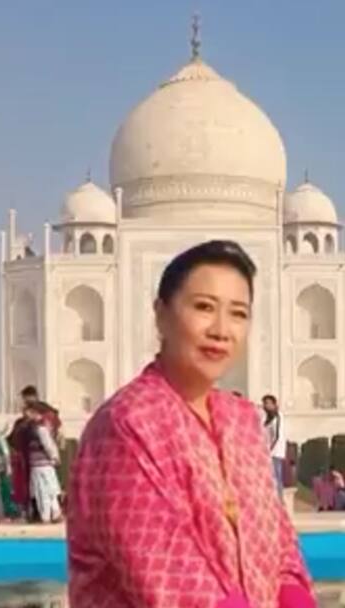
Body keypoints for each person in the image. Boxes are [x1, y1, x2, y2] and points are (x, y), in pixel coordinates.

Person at [67, 240, 314, 607]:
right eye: (203, 307)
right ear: (161, 315)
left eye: (238, 313)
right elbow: (170, 577)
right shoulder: (127, 424)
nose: (221, 330)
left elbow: (279, 545)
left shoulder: (241, 421)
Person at [26, 403, 62, 523]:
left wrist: (54, 457)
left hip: (42, 464)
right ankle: (54, 513)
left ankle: (47, 515)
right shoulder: (39, 427)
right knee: (49, 490)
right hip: (42, 464)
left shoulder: (40, 428)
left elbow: (48, 445)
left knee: (43, 491)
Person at [261, 395, 287, 496]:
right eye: (265, 403)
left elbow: (277, 436)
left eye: (268, 403)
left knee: (276, 477)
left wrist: (270, 450)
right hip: (268, 451)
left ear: (274, 404)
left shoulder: (278, 417)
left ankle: (279, 500)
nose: (266, 406)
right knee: (271, 477)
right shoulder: (267, 418)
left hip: (275, 452)